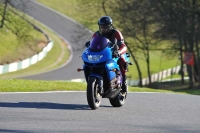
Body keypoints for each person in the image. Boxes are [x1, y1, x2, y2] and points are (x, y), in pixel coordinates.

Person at [86, 16, 128, 94]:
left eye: (105, 27)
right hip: (102, 54)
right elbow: (92, 45)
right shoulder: (96, 34)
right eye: (102, 27)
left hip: (114, 53)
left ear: (110, 26)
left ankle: (124, 82)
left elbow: (123, 46)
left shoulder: (116, 33)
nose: (103, 29)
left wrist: (118, 52)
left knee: (122, 59)